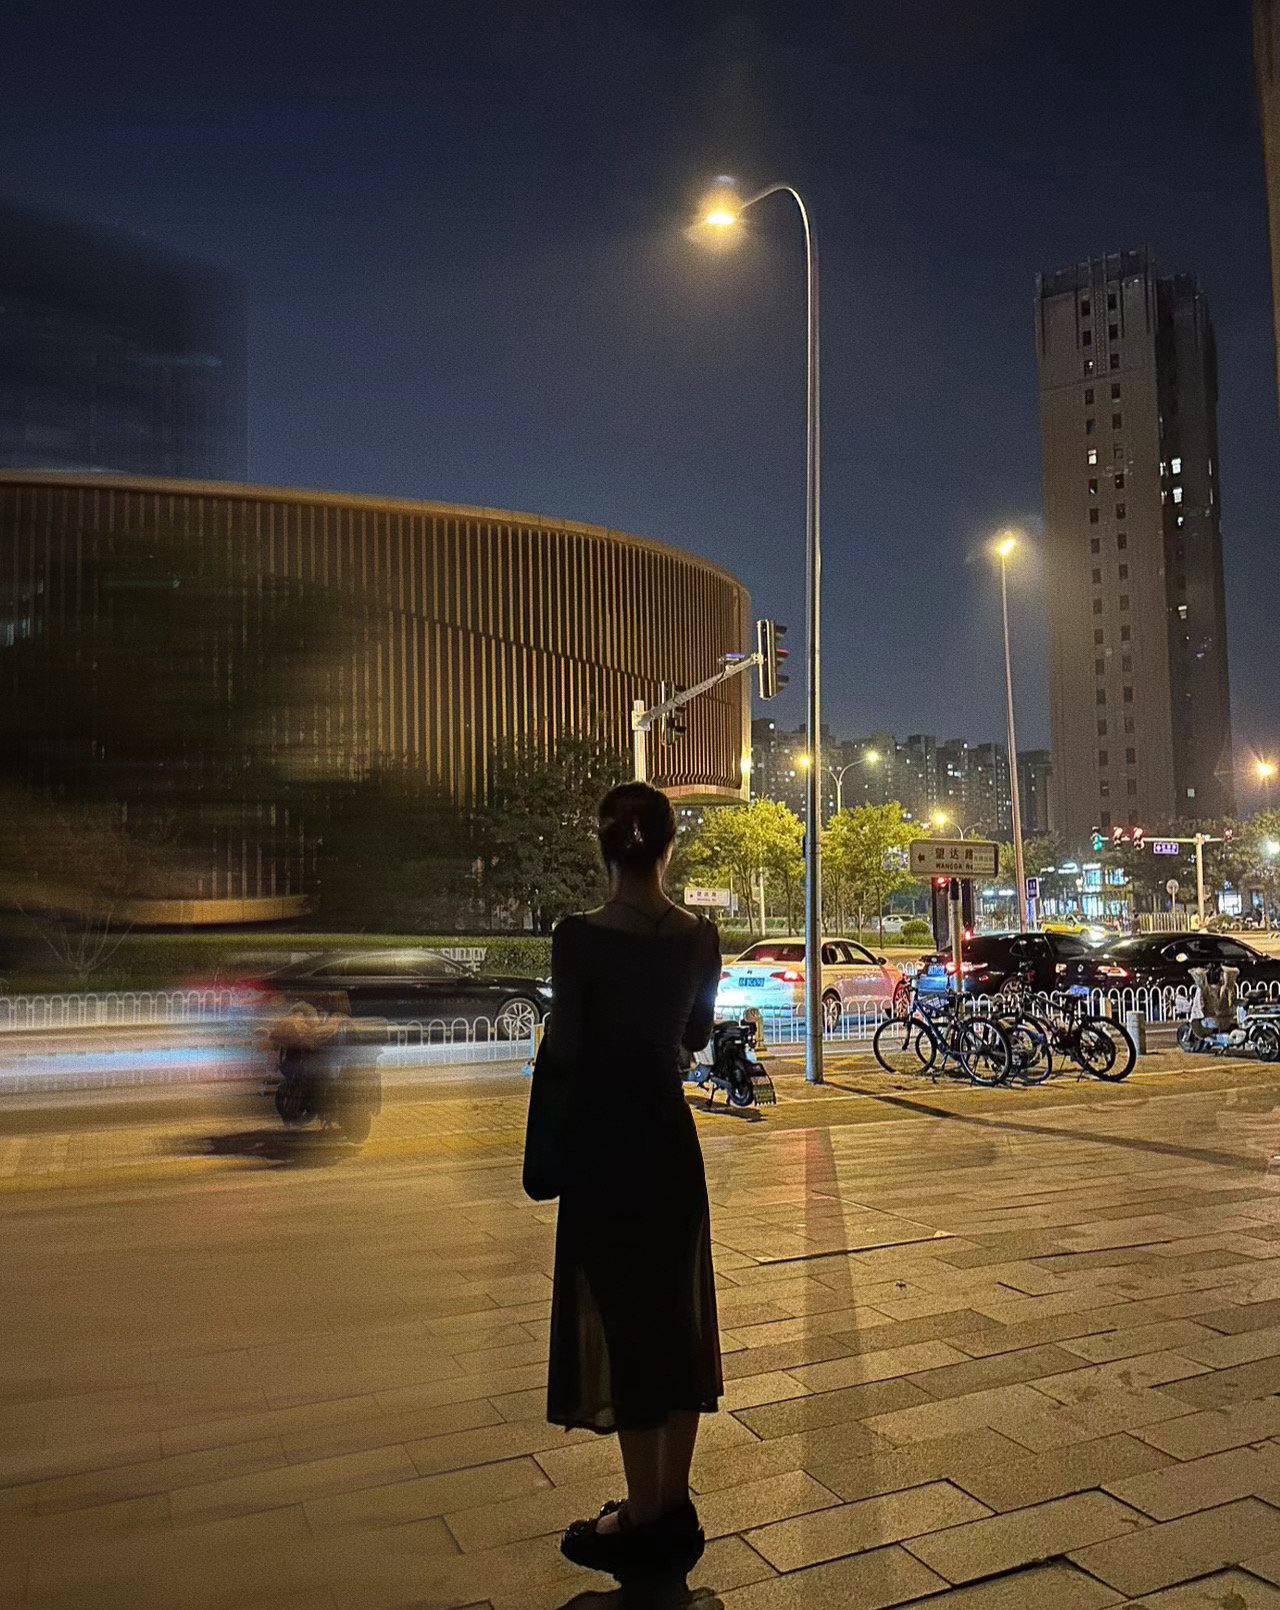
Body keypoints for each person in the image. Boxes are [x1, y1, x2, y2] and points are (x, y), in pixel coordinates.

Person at [539, 780, 723, 1579]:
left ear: (605, 849)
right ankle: (670, 1506)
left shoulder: (577, 937)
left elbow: (568, 1046)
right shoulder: (699, 936)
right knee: (676, 1319)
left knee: (626, 1323)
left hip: (605, 1148)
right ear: (669, 847)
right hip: (669, 1143)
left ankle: (641, 1517)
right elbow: (696, 1034)